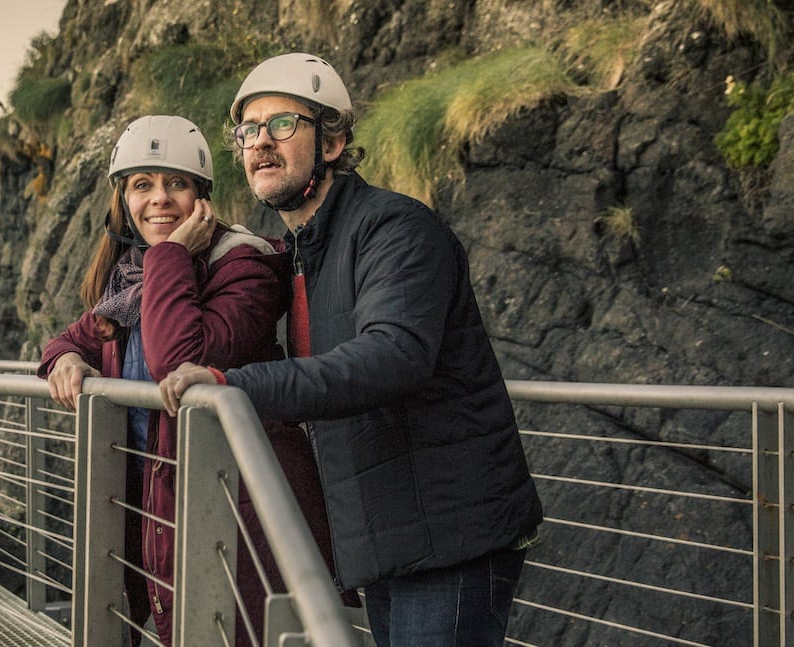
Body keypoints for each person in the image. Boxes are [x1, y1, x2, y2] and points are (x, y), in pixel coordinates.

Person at [158, 53, 544, 646]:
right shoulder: (301, 252)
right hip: (384, 533)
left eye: (282, 124)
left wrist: (237, 384)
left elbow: (394, 356)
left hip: (450, 535)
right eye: (248, 131)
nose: (261, 142)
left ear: (332, 141)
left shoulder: (396, 228)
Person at [39, 115, 349, 646]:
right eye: (142, 185)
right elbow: (70, 340)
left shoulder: (243, 267)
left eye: (176, 184)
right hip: (149, 507)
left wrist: (171, 255)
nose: (159, 199)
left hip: (234, 517)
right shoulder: (129, 281)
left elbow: (175, 360)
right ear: (123, 201)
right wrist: (64, 359)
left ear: (202, 198)